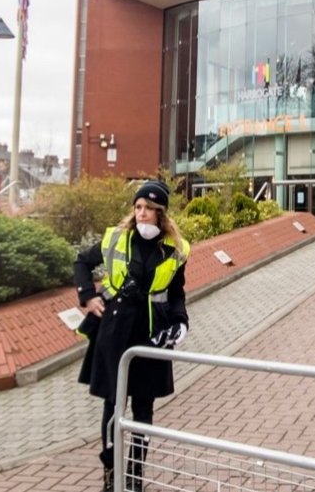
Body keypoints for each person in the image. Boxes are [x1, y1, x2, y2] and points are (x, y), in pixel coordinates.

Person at [75, 180, 190, 492]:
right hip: (114, 334)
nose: (142, 213)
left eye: (149, 209)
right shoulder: (116, 238)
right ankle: (112, 478)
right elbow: (83, 263)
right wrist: (88, 295)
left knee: (143, 410)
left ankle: (135, 479)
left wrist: (181, 322)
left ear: (161, 214)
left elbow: (176, 293)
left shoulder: (176, 250)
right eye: (138, 207)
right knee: (113, 408)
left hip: (151, 337)